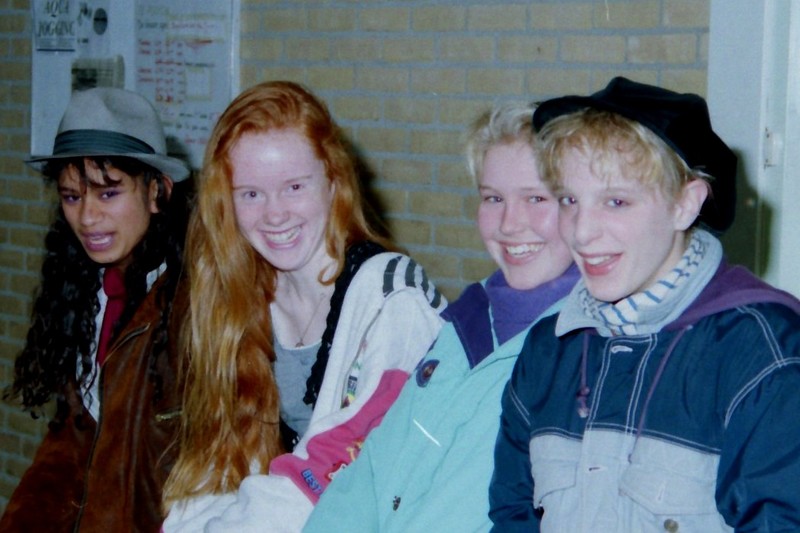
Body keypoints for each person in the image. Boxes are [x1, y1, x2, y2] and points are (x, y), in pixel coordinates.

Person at [489, 77, 800, 532]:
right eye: (570, 200)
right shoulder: (549, 349)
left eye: (616, 201)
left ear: (685, 204)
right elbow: (512, 514)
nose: (581, 232)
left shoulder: (761, 353)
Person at [161, 80, 446, 532]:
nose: (275, 214)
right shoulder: (241, 296)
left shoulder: (395, 300)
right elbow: (218, 466)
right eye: (250, 194)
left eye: (294, 187)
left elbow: (331, 477)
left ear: (333, 183)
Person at [304, 102, 578, 532]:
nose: (509, 223)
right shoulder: (464, 321)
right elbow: (372, 470)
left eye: (536, 198)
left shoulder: (583, 347)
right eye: (493, 198)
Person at [1, 87, 191, 531]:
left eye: (108, 194)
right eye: (72, 197)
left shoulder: (191, 306)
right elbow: (69, 448)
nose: (87, 217)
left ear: (157, 192)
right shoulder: (84, 293)